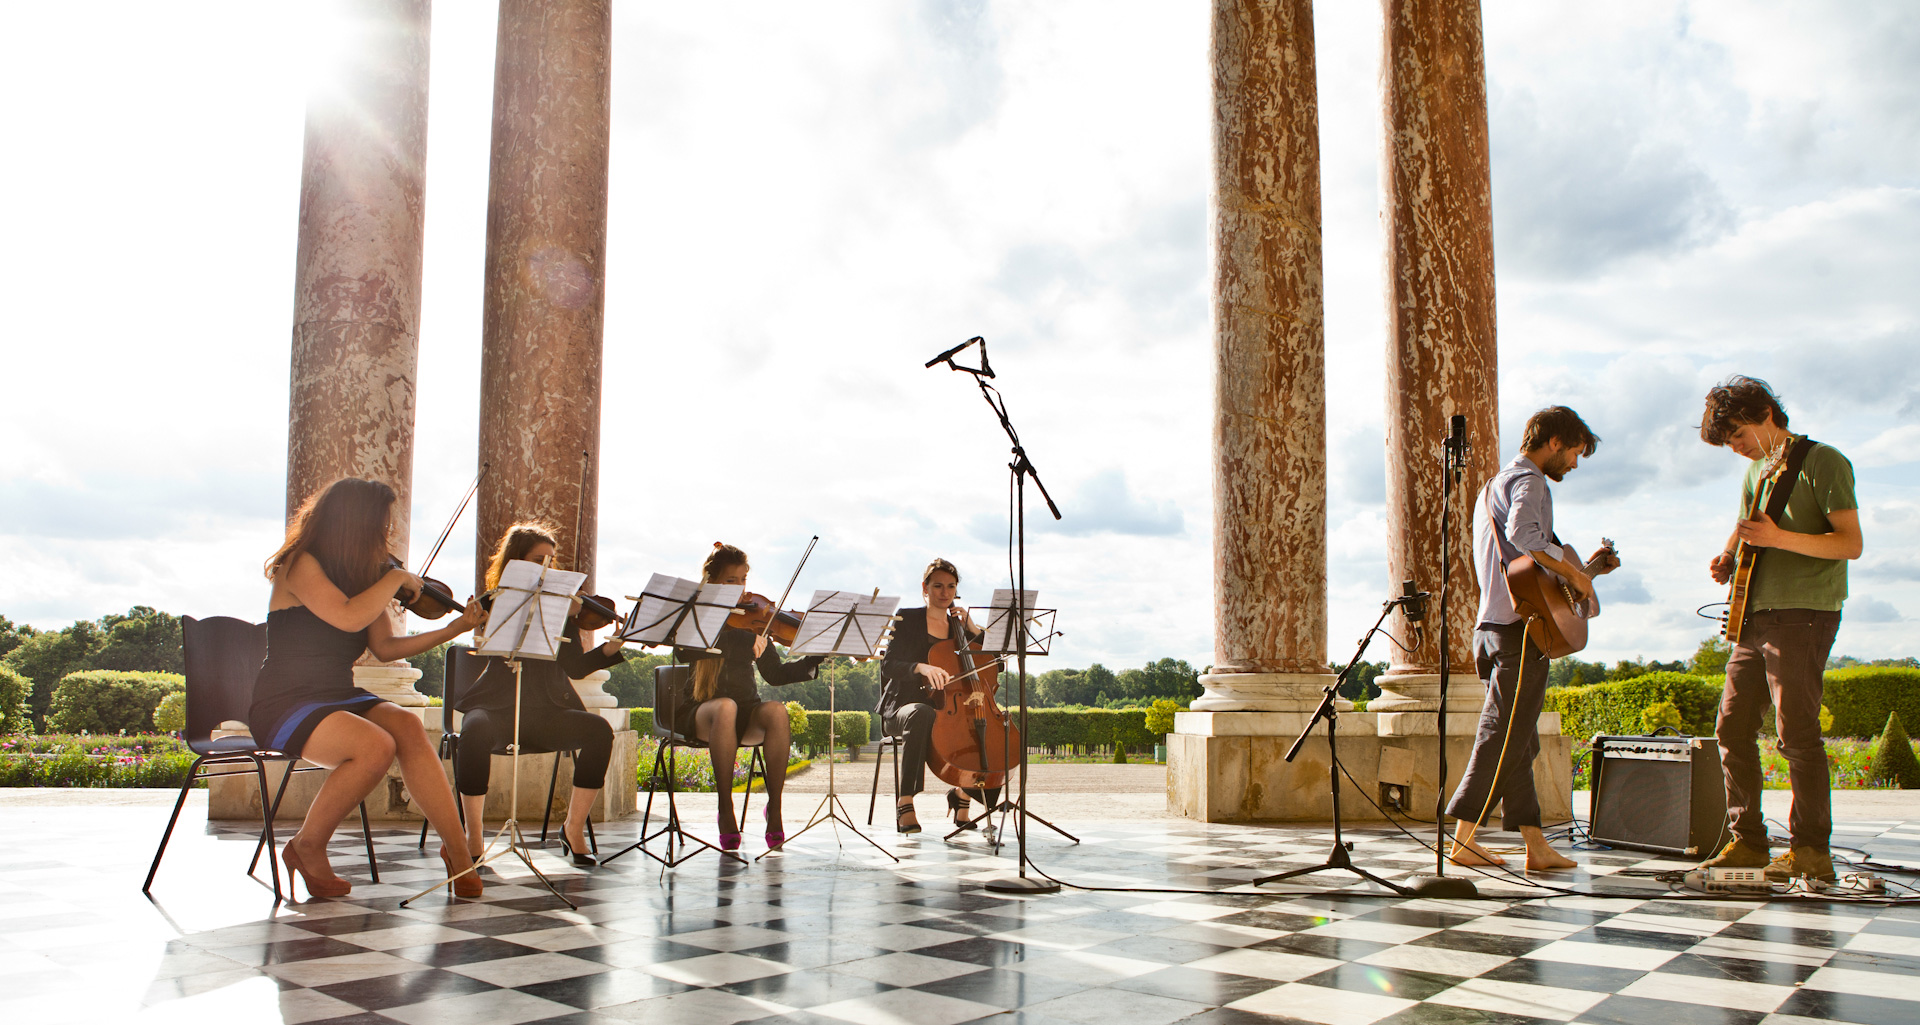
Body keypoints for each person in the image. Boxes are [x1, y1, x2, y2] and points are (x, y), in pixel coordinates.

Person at [252, 477, 486, 898]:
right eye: (381, 522)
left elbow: (385, 647)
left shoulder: (367, 576)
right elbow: (346, 617)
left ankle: (458, 852)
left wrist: (454, 628)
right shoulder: (301, 564)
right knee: (375, 745)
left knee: (408, 727)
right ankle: (307, 845)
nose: (387, 532)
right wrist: (394, 579)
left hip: (338, 694)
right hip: (286, 701)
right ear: (353, 523)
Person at [1695, 376, 1861, 885]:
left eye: (1739, 436)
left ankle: (1811, 849)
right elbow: (1748, 523)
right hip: (1754, 615)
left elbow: (1849, 543)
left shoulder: (1824, 460)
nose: (1737, 449)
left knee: (1795, 733)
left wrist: (1778, 538)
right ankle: (1748, 842)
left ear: (1766, 413)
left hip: (1805, 613)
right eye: (1729, 444)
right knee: (1731, 726)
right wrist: (1729, 555)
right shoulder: (1757, 470)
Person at [1446, 407, 1619, 871]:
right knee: (1502, 736)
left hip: (1490, 629)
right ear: (1556, 442)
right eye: (1576, 453)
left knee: (1521, 741)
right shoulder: (1531, 482)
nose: (1575, 466)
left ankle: (1536, 847)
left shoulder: (1492, 486)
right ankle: (1462, 838)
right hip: (1518, 631)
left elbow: (1519, 557)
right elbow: (1525, 536)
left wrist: (1584, 568)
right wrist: (1575, 576)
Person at [456, 522, 623, 867]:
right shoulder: (492, 603)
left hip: (547, 712)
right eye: (537, 559)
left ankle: (573, 829)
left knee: (598, 732)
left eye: (551, 560)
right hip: (496, 706)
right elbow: (484, 649)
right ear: (516, 563)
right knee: (474, 731)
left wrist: (608, 651)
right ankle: (473, 837)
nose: (546, 567)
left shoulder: (561, 610)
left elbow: (575, 668)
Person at [673, 543, 824, 850]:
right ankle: (725, 808)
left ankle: (776, 807)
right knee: (725, 707)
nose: (741, 587)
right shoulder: (697, 616)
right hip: (702, 711)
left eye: (743, 579)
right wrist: (745, 640)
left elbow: (776, 675)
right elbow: (682, 651)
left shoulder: (754, 620)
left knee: (777, 712)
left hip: (746, 711)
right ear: (712, 581)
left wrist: (814, 660)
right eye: (732, 580)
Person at [879, 558, 1001, 838]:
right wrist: (920, 666)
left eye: (950, 586)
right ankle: (905, 801)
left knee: (981, 723)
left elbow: (993, 661)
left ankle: (962, 794)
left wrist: (973, 629)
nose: (944, 593)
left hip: (948, 707)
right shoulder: (907, 618)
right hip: (903, 708)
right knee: (921, 713)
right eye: (937, 586)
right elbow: (889, 665)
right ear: (925, 587)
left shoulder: (959, 627)